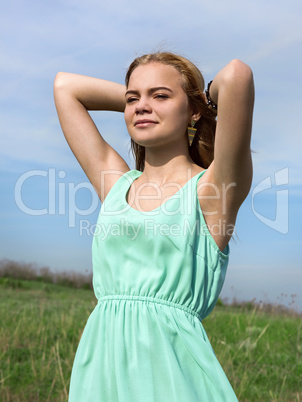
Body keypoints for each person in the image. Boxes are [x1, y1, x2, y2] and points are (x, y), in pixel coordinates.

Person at [54, 51, 254, 401]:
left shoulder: (211, 191)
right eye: (133, 98)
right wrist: (148, 103)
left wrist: (199, 99)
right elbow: (65, 87)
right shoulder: (115, 184)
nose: (141, 106)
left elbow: (237, 76)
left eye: (160, 95)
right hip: (101, 372)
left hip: (172, 379)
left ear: (194, 111)